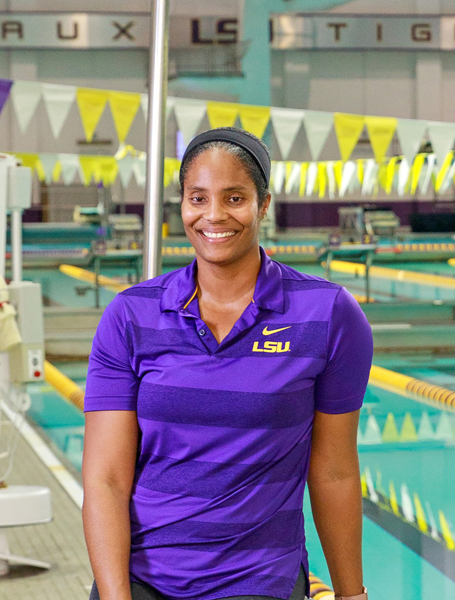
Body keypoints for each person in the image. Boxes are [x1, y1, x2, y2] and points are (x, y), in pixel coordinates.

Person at [82, 128, 373, 600]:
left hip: (258, 580)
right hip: (143, 579)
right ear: (182, 205)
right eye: (198, 198)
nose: (214, 215)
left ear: (263, 204)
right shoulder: (131, 316)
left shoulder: (328, 314)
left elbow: (335, 470)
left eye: (234, 197)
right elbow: (107, 479)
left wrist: (350, 595)